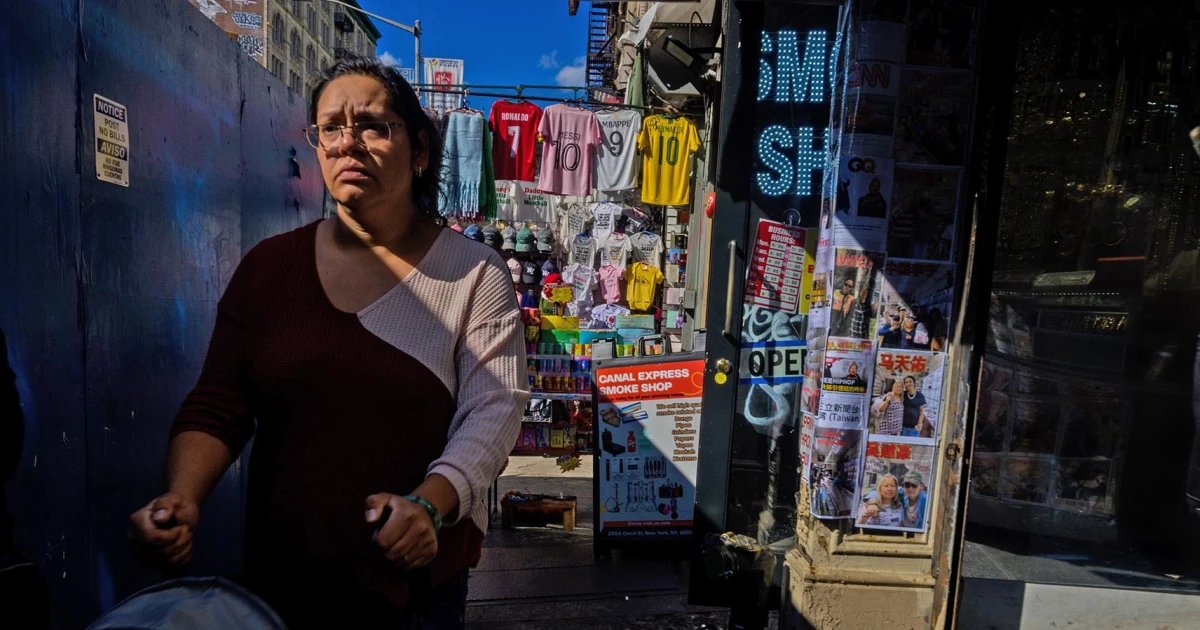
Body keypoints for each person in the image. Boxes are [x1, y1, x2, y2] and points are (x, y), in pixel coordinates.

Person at [128, 57, 528, 629]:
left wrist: (431, 503)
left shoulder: (474, 273)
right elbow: (219, 403)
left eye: (371, 125)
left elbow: (492, 412)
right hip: (283, 581)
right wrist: (183, 498)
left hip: (414, 590)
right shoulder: (268, 269)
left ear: (418, 152)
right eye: (330, 128)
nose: (348, 143)